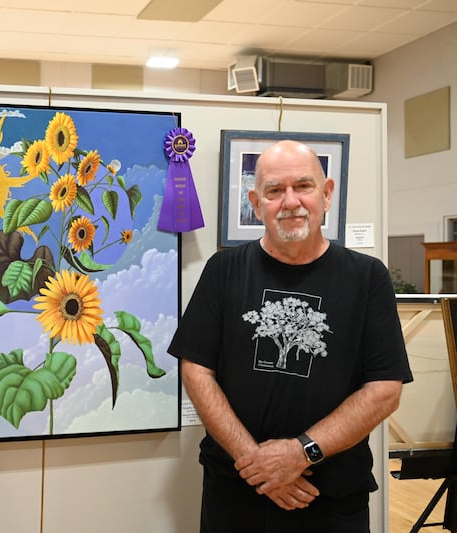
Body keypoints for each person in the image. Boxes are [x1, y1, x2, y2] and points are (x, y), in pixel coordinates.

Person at [168, 140, 412, 532]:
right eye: (275, 190)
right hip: (237, 488)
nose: (291, 202)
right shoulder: (224, 270)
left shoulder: (367, 278)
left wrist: (301, 453)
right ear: (255, 200)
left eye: (304, 186)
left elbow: (385, 388)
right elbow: (196, 369)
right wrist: (258, 464)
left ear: (327, 193)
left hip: (328, 497)